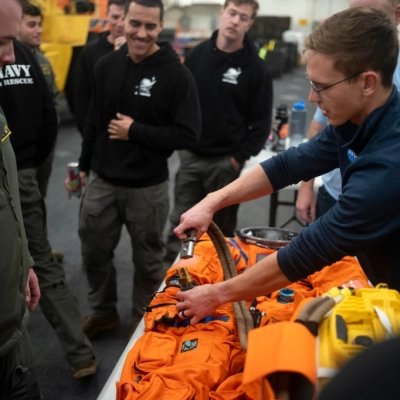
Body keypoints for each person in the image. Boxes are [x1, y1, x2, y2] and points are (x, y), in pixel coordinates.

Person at [173, 7, 400, 325]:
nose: (311, 97)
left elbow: (309, 249)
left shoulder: (388, 166)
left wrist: (217, 295)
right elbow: (290, 165)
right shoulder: (359, 118)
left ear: (367, 83)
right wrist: (214, 200)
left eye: (321, 87)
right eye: (310, 82)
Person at [66, 0, 201, 338]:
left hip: (147, 187)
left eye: (150, 26)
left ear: (160, 27)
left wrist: (135, 130)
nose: (141, 33)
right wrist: (83, 165)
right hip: (102, 179)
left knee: (148, 263)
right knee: (93, 252)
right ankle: (103, 311)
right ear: (122, 21)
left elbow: (188, 134)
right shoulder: (106, 65)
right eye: (135, 24)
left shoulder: (176, 74)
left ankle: (144, 323)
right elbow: (95, 122)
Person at [0, 37, 97, 378]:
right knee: (37, 258)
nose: (8, 54)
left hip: (17, 175)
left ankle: (79, 354)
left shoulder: (21, 54)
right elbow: (49, 113)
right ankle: (79, 353)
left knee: (37, 260)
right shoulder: (29, 55)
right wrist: (32, 164)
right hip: (25, 171)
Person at [165, 0, 273, 262]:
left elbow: (260, 124)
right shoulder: (197, 55)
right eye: (232, 13)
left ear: (250, 24)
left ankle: (216, 287)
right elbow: (180, 103)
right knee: (180, 223)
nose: (235, 21)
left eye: (243, 17)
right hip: (191, 158)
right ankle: (172, 284)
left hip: (226, 164)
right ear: (222, 13)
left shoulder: (256, 69)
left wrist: (238, 158)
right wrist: (182, 144)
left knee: (219, 232)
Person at [296, 0, 400, 224]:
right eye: (353, 15)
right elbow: (312, 143)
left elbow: (310, 248)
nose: (356, 26)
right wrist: (306, 187)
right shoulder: (342, 115)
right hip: (334, 191)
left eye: (370, 17)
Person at [0, 0, 42, 397]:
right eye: (0, 42)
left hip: (14, 333)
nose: (10, 57)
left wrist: (23, 261)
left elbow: (8, 205)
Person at [17, 0, 65, 263]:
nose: (38, 30)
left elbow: (53, 101)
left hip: (44, 149)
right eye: (31, 24)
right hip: (22, 151)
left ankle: (39, 248)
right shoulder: (10, 61)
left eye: (40, 25)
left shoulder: (43, 61)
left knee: (38, 201)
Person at [74, 0, 125, 136]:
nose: (120, 24)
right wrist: (86, 131)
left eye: (124, 18)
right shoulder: (90, 52)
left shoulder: (140, 52)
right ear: (107, 15)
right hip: (97, 135)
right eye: (115, 17)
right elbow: (81, 96)